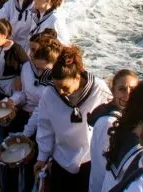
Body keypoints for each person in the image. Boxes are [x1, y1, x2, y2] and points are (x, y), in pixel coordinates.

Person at [33, 45, 112, 190]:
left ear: (77, 77)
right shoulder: (49, 93)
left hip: (90, 160)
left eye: (65, 88)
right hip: (61, 159)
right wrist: (42, 157)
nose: (60, 92)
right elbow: (45, 126)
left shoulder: (99, 90)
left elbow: (111, 123)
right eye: (57, 87)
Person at [88, 70, 138, 192]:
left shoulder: (126, 118)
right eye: (122, 89)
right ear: (113, 90)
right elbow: (102, 169)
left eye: (132, 89)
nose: (128, 95)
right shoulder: (109, 123)